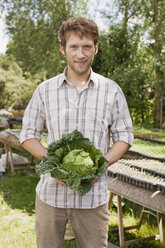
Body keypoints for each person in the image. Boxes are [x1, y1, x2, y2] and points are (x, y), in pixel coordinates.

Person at [20, 17, 133, 248]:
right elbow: (28, 134)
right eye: (74, 47)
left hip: (93, 198)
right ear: (63, 48)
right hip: (51, 196)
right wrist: (53, 164)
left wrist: (100, 164)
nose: (80, 54)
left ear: (96, 48)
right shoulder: (45, 90)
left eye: (87, 47)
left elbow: (124, 136)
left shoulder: (111, 90)